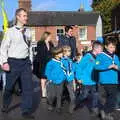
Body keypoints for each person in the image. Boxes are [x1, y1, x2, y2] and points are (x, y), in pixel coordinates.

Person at [0, 8, 34, 119]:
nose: (26, 18)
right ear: (17, 17)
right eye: (24, 16)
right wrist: (4, 62)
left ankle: (26, 111)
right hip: (13, 62)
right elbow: (3, 48)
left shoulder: (28, 31)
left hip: (25, 64)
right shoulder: (10, 31)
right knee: (9, 87)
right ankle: (5, 105)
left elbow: (29, 48)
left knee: (28, 88)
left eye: (26, 15)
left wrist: (31, 62)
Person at [75, 41, 103, 116]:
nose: (102, 51)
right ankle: (75, 102)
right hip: (86, 81)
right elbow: (79, 67)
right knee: (84, 95)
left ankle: (94, 109)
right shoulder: (87, 56)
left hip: (95, 81)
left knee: (95, 95)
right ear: (95, 49)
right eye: (101, 49)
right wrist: (78, 78)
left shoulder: (99, 58)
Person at [95, 37, 120, 120]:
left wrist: (117, 67)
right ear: (106, 46)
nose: (113, 49)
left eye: (114, 47)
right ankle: (106, 112)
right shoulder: (101, 56)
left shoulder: (116, 57)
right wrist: (108, 66)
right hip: (104, 81)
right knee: (107, 98)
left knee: (112, 99)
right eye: (111, 47)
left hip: (114, 81)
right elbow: (96, 66)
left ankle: (105, 112)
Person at [33, 31, 53, 98]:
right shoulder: (40, 43)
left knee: (49, 77)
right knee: (43, 78)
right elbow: (40, 53)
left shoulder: (51, 43)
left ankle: (48, 90)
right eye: (50, 36)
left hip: (50, 63)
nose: (51, 37)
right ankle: (43, 92)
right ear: (46, 36)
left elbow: (52, 52)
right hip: (43, 63)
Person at [45, 47, 65, 113]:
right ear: (56, 54)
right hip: (52, 81)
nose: (62, 53)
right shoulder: (51, 63)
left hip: (61, 81)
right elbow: (47, 72)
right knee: (52, 95)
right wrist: (49, 79)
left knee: (59, 94)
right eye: (61, 53)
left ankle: (58, 107)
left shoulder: (63, 61)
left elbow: (65, 69)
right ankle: (50, 104)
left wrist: (64, 77)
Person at [61, 45, 75, 114]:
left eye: (70, 51)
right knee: (60, 92)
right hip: (63, 79)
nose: (70, 52)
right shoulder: (61, 61)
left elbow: (73, 69)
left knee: (72, 94)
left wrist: (74, 79)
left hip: (70, 79)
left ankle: (71, 108)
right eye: (69, 51)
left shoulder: (71, 60)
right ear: (64, 52)